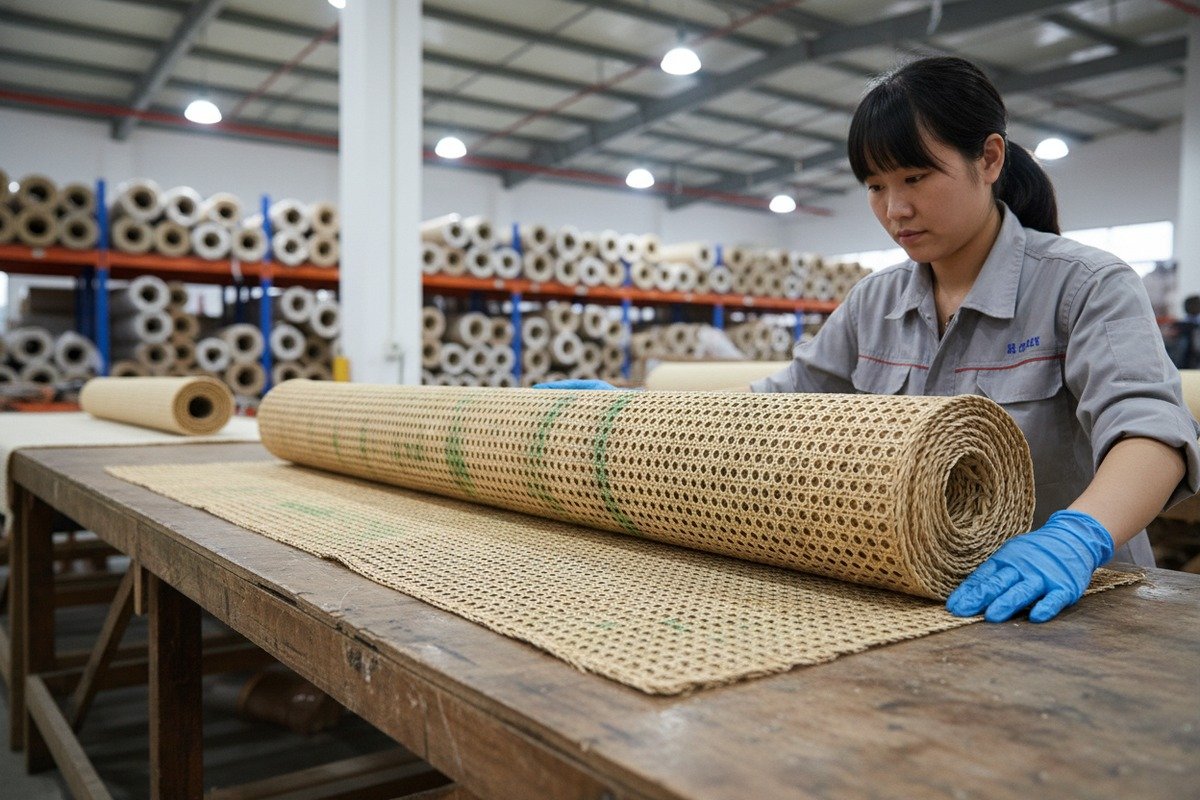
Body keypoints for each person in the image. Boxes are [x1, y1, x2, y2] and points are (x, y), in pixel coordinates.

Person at [537, 56, 1200, 624]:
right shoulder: (874, 304)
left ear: (988, 158)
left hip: (1078, 605)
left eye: (916, 178)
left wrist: (1076, 539)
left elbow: (1153, 433)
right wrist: (632, 413)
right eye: (875, 187)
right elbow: (778, 406)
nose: (895, 210)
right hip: (921, 600)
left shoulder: (1083, 285)